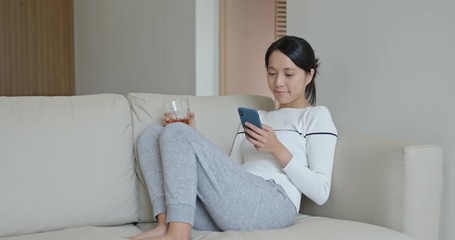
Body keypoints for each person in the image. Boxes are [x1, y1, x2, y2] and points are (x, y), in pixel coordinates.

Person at [130, 35, 337, 240]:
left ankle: (178, 234)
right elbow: (229, 171)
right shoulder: (258, 117)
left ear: (309, 75)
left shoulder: (315, 116)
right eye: (272, 73)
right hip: (234, 205)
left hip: (274, 201)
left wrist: (278, 149)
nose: (278, 82)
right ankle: (166, 224)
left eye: (289, 74)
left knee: (177, 132)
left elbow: (321, 192)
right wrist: (191, 138)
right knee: (151, 135)